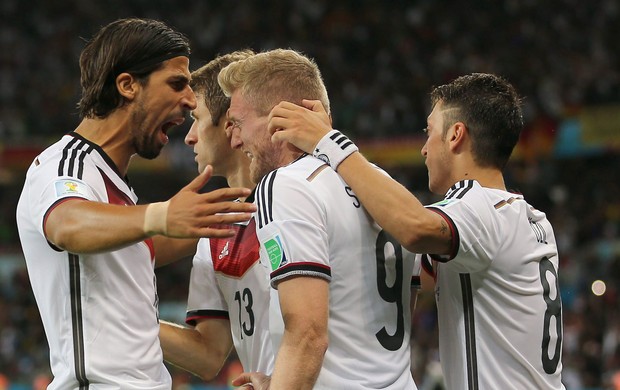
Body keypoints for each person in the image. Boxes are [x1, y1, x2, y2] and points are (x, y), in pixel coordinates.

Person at [268, 73, 565, 389]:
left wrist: (329, 142)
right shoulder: (529, 218)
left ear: (455, 136)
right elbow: (398, 266)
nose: (424, 149)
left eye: (429, 132)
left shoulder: (478, 206)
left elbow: (413, 228)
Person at [15, 18, 255, 389]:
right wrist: (162, 214)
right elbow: (66, 224)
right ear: (127, 85)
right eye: (177, 83)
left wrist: (222, 218)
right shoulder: (67, 164)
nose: (190, 100)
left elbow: (138, 250)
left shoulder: (116, 188)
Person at [218, 49, 421, 390]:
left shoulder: (286, 184)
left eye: (239, 123)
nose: (236, 139)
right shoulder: (383, 187)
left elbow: (308, 335)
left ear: (279, 120)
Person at [159, 49, 275, 380]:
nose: (190, 136)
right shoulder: (213, 229)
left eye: (196, 119)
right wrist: (127, 321)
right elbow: (208, 356)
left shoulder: (301, 199)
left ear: (229, 123)